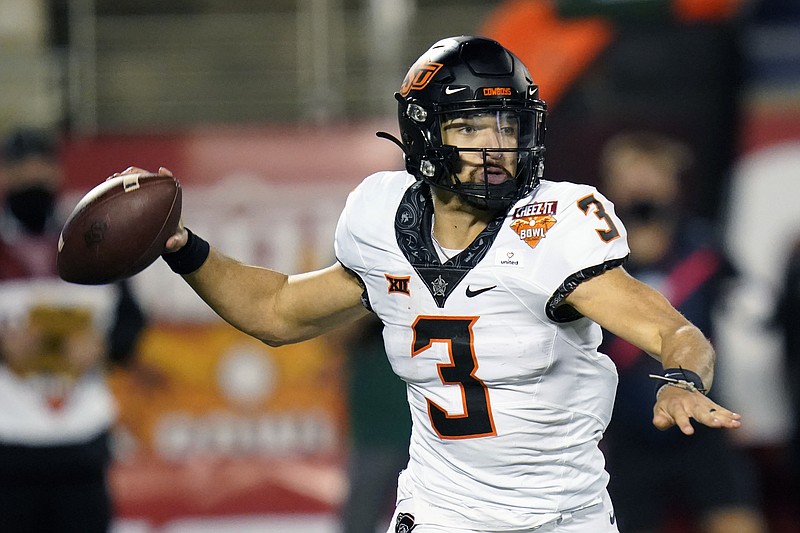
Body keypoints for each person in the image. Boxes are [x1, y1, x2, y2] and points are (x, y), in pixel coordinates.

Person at [117, 36, 742, 532]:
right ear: (424, 134)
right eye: (471, 127)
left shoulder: (553, 229)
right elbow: (278, 311)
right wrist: (183, 248)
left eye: (506, 125)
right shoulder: (380, 220)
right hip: (443, 512)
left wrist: (682, 380)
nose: (495, 147)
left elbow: (674, 330)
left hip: (562, 515)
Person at [597, 132, 767, 533]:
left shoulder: (704, 247)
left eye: (652, 172)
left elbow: (752, 312)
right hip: (624, 431)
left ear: (672, 181)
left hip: (701, 419)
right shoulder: (591, 258)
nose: (642, 184)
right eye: (630, 173)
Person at [0, 128, 147, 533]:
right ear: (5, 174)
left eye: (40, 167)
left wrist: (101, 348)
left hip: (80, 449)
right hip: (8, 453)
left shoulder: (90, 242)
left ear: (56, 171)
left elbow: (131, 325)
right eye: (21, 168)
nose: (33, 177)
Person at [338, 315, 411, 533]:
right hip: (375, 440)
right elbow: (335, 339)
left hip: (421, 438)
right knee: (360, 519)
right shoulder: (361, 332)